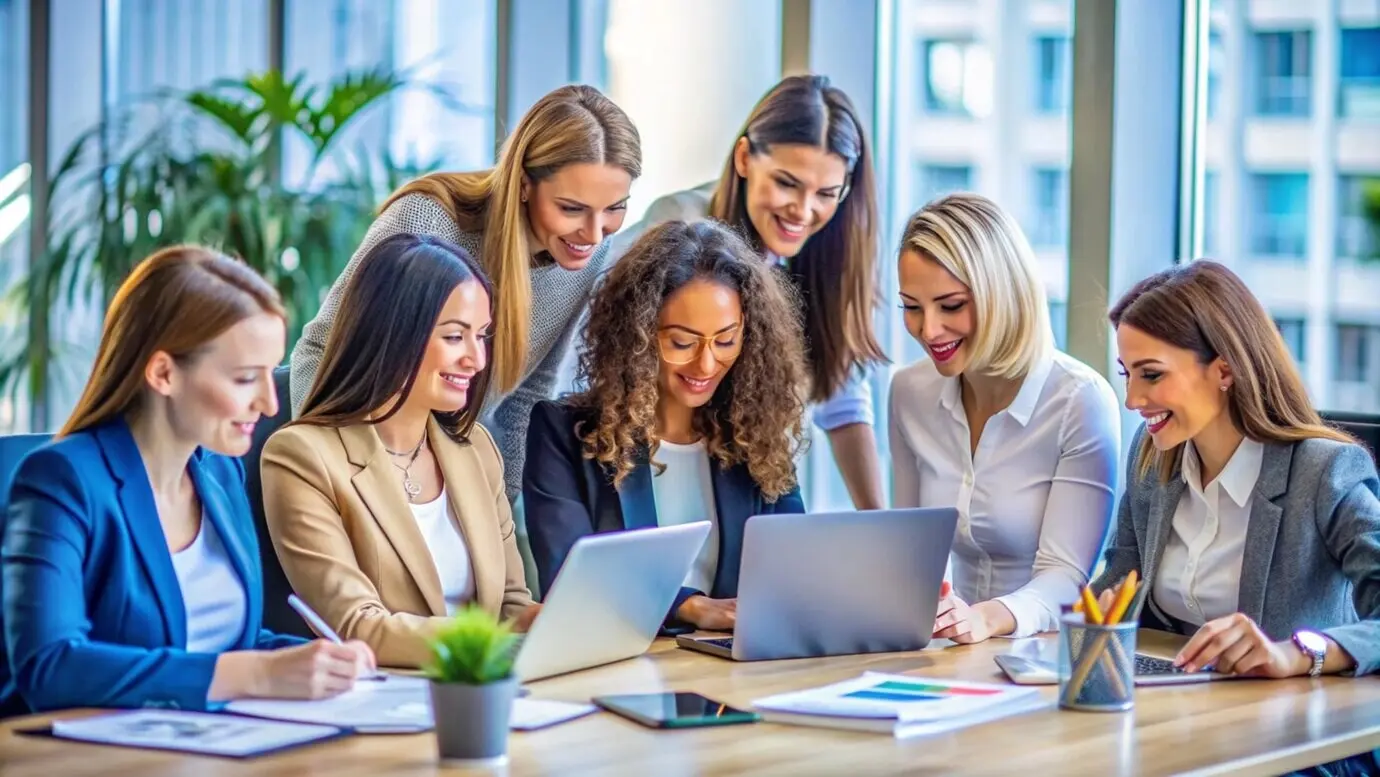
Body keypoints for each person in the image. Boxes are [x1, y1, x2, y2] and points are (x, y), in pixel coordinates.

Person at [0, 247, 374, 717]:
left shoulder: (218, 472)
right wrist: (257, 674)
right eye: (244, 378)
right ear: (163, 373)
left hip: (208, 742)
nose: (268, 403)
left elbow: (225, 639)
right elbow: (50, 666)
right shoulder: (62, 480)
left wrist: (313, 659)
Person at [290, 84, 641, 502]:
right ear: (525, 183)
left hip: (445, 473)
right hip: (361, 466)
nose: (594, 232)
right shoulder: (429, 220)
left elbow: (525, 397)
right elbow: (319, 349)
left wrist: (499, 524)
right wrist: (335, 484)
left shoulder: (588, 252)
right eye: (571, 208)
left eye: (615, 208)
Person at [1094, 260, 1380, 681]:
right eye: (1127, 375)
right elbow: (1120, 582)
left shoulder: (1323, 472)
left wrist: (1297, 653)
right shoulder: (1152, 457)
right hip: (1172, 705)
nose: (1132, 400)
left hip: (1288, 725)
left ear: (1224, 370)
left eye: (1151, 375)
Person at [611, 74, 887, 510]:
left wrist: (881, 526)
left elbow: (844, 402)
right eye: (786, 183)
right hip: (658, 480)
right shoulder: (678, 230)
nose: (804, 209)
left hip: (753, 495)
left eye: (826, 193)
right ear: (744, 158)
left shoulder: (828, 255)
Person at [263, 234, 536, 669]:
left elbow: (510, 605)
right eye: (454, 336)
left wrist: (549, 621)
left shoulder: (477, 450)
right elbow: (356, 625)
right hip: (386, 705)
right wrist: (489, 641)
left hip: (485, 692)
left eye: (481, 336)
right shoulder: (301, 456)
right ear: (395, 335)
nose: (477, 360)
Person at [525, 220, 808, 630]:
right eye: (682, 342)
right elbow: (571, 585)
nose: (706, 364)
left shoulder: (756, 438)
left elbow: (799, 568)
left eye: (726, 341)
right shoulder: (563, 435)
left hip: (733, 676)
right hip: (622, 673)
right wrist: (688, 606)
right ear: (636, 336)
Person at [888, 193, 1121, 643]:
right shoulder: (907, 392)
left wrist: (983, 618)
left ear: (1002, 295)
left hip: (1038, 656)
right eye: (911, 307)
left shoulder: (1080, 401)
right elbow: (912, 553)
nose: (928, 329)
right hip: (940, 651)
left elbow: (1066, 578)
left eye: (951, 305)